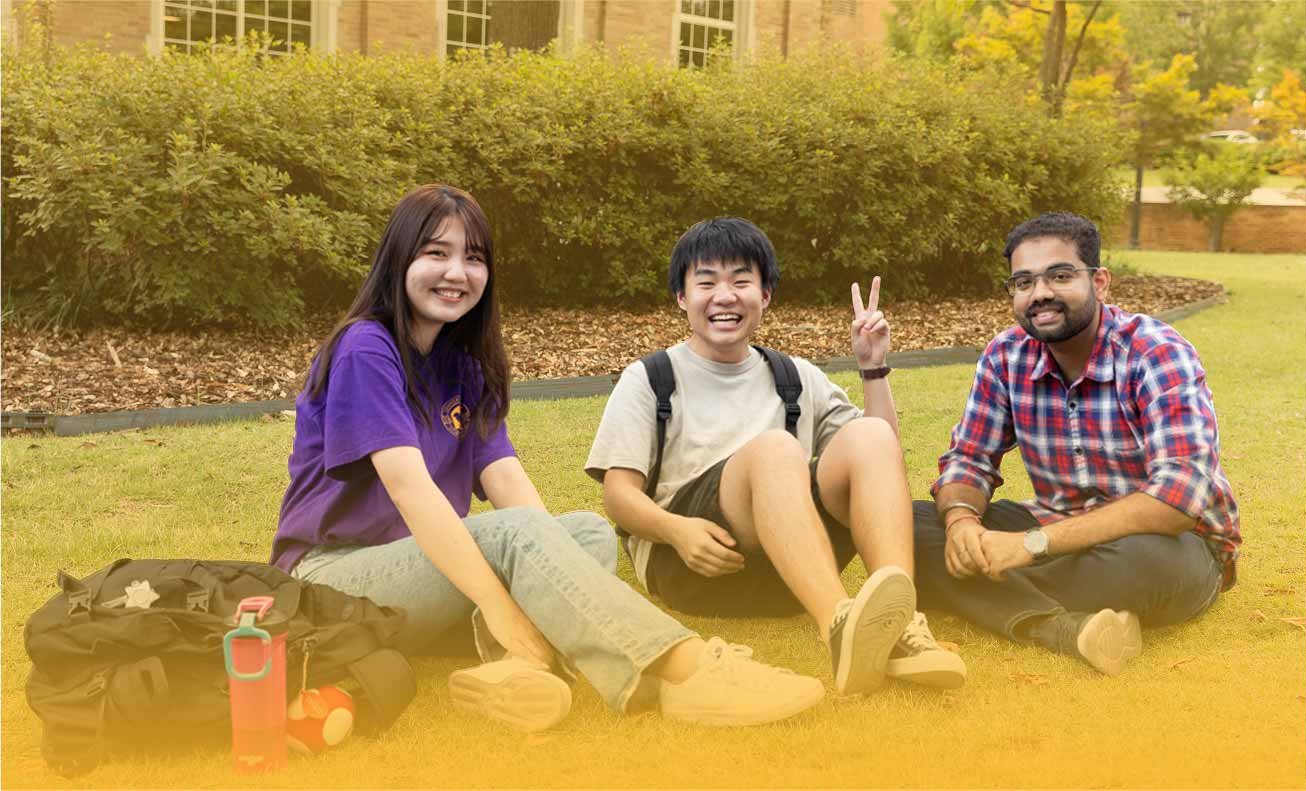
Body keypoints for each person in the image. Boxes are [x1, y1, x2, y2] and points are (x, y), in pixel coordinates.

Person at [270, 185, 826, 731]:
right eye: (436, 252)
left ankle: (520, 667)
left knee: (583, 533)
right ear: (399, 258)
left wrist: (539, 558)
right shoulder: (366, 348)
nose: (456, 272)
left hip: (420, 584)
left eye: (473, 258)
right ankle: (682, 670)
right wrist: (501, 605)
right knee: (519, 535)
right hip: (333, 580)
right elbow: (411, 491)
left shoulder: (461, 363)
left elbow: (507, 480)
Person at [586, 217, 966, 695]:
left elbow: (878, 457)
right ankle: (839, 625)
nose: (725, 296)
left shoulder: (795, 376)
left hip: (790, 574)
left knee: (867, 434)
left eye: (742, 281)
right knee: (776, 447)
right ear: (682, 297)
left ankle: (901, 624)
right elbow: (618, 496)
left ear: (764, 296)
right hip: (693, 562)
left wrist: (873, 369)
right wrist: (676, 531)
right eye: (706, 281)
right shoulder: (650, 378)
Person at [913, 212, 1241, 676]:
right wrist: (961, 524)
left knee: (1142, 563)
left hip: (1170, 547)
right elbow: (969, 459)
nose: (1040, 293)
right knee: (905, 525)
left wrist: (1030, 545)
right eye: (1023, 282)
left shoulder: (1155, 351)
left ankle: (980, 590)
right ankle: (1055, 627)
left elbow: (1178, 499)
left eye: (1060, 276)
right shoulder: (1005, 355)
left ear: (1100, 282)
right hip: (1061, 525)